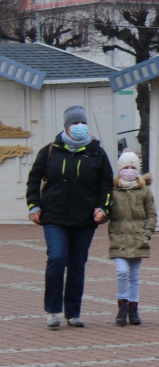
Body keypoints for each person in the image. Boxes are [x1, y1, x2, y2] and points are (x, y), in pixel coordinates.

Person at [26, 105, 113, 329]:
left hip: (84, 219)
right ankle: (52, 311)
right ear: (66, 127)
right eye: (75, 124)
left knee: (77, 265)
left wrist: (102, 208)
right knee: (57, 258)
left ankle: (73, 313)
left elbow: (105, 185)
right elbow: (34, 179)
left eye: (82, 123)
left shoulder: (96, 152)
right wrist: (34, 205)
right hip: (54, 215)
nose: (79, 127)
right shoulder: (50, 151)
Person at [108, 150, 155, 326]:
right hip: (119, 238)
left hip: (138, 238)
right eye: (126, 167)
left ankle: (133, 308)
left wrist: (146, 233)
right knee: (121, 271)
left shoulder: (144, 190)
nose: (129, 171)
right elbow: (107, 214)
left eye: (132, 167)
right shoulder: (113, 190)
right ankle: (122, 305)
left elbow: (151, 214)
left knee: (134, 275)